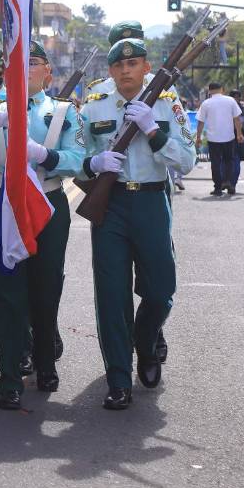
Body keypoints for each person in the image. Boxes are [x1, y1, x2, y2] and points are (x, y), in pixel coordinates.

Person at [0, 41, 85, 410]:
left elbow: (78, 159)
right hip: (1, 200)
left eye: (34, 63)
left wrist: (46, 155)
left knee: (46, 289)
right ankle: (9, 376)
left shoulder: (61, 111)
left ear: (48, 72)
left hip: (47, 200)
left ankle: (45, 363)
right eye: (18, 63)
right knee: (7, 294)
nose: (25, 69)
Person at [77, 38, 195, 410]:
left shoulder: (166, 102)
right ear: (111, 71)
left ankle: (145, 342)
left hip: (150, 200)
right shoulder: (94, 106)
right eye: (119, 66)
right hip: (110, 205)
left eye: (134, 64)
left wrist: (153, 131)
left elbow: (188, 160)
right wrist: (93, 164)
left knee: (161, 289)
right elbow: (77, 152)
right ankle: (118, 379)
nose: (126, 70)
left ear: (146, 67)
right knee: (111, 296)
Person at [195, 82, 243, 196]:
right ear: (222, 89)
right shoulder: (230, 101)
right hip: (229, 137)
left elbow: (200, 122)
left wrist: (198, 137)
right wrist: (239, 134)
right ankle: (229, 183)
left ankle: (217, 188)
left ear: (209, 91)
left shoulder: (206, 103)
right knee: (229, 161)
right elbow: (237, 119)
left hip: (213, 139)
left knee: (215, 163)